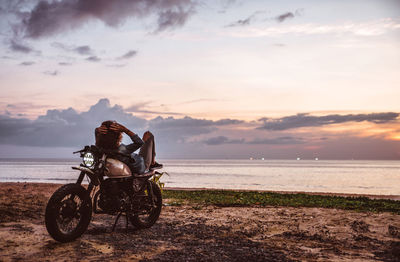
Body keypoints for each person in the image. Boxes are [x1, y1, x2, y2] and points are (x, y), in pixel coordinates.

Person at [95, 120, 162, 174]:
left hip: (132, 160)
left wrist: (96, 131)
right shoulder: (122, 150)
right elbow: (139, 143)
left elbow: (98, 142)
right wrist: (126, 130)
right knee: (149, 135)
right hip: (142, 164)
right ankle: (152, 162)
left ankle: (153, 162)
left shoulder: (101, 149)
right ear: (118, 136)